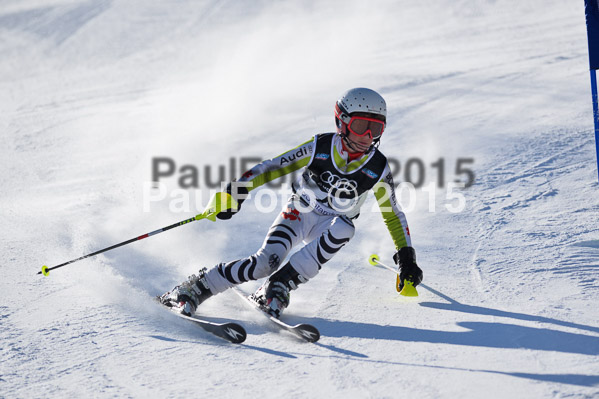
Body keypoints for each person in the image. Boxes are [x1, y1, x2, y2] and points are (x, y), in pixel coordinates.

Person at [159, 87, 423, 318]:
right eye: (360, 126)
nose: (367, 136)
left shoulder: (377, 167)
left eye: (375, 128)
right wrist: (236, 191)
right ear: (341, 122)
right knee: (265, 263)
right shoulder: (320, 147)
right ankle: (196, 287)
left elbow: (393, 213)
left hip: (330, 226)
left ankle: (280, 286)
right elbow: (272, 167)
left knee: (346, 227)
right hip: (301, 212)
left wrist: (406, 258)